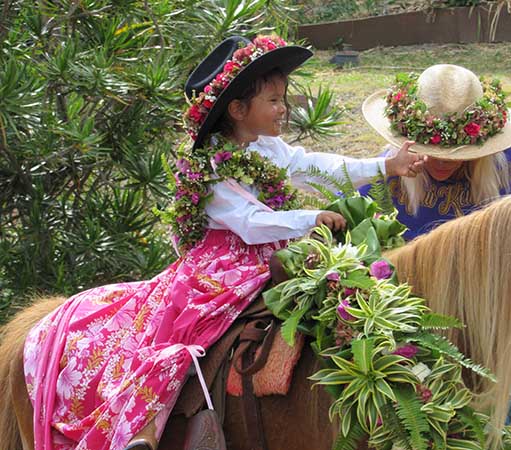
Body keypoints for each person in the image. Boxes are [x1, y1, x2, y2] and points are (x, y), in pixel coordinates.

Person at [22, 35, 426, 450]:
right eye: (273, 100)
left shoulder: (266, 147)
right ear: (237, 109)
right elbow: (249, 222)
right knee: (189, 339)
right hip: (220, 268)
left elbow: (311, 166)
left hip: (275, 254)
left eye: (282, 98)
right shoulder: (209, 167)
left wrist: (385, 165)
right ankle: (146, 430)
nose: (283, 108)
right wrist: (310, 217)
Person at [360, 64, 511, 449]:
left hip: (492, 326)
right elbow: (364, 246)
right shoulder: (388, 172)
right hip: (417, 333)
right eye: (431, 151)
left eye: (454, 153)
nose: (441, 161)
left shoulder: (510, 162)